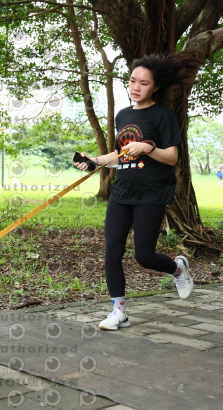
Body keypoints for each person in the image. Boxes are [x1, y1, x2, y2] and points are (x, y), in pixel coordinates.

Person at [74, 53, 198, 331]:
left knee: (144, 256)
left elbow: (172, 158)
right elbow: (122, 155)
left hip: (151, 194)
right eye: (132, 81)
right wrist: (94, 161)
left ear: (155, 87)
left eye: (143, 83)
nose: (136, 87)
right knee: (112, 252)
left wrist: (150, 148)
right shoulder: (123, 115)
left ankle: (178, 269)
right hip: (122, 191)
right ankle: (118, 312)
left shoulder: (163, 115)